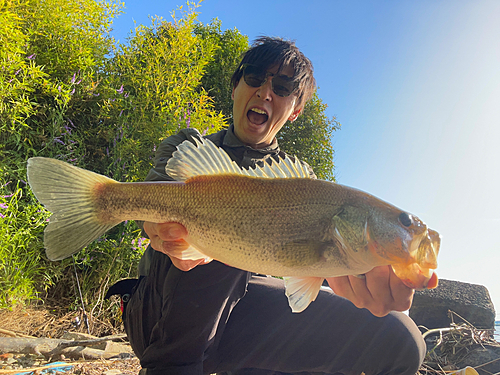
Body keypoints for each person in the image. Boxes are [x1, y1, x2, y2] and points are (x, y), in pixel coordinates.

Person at [121, 37, 426, 375]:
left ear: (295, 110)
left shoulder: (307, 183)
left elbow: (302, 282)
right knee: (225, 237)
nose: (265, 93)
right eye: (254, 77)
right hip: (159, 319)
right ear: (236, 87)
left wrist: (354, 271)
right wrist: (161, 229)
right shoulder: (187, 146)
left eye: (282, 87)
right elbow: (152, 207)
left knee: (401, 342)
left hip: (242, 321)